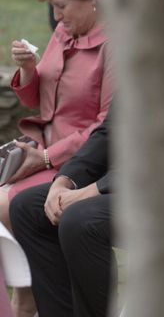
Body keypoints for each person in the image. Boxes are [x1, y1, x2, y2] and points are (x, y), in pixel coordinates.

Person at [5, 0, 112, 317]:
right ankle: (27, 292)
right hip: (42, 149)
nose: (56, 17)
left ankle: (28, 296)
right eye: (53, 6)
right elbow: (39, 101)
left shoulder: (115, 46)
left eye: (62, 5)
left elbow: (107, 126)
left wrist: (48, 158)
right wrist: (30, 69)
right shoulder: (64, 33)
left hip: (82, 161)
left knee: (7, 203)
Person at [11, 112, 112, 317]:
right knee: (27, 207)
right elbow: (108, 132)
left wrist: (95, 189)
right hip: (122, 174)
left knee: (78, 218)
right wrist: (64, 181)